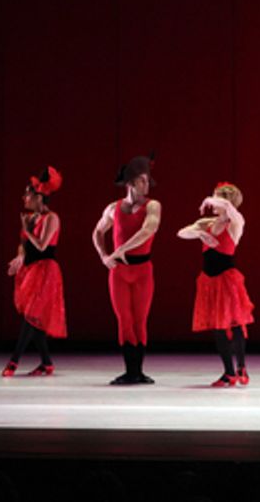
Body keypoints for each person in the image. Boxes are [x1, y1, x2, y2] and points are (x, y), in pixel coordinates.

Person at [93, 154, 161, 385]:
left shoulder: (153, 206)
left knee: (140, 319)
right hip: (119, 272)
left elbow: (147, 231)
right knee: (124, 319)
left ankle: (139, 371)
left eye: (146, 180)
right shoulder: (113, 208)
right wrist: (104, 256)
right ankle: (130, 371)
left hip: (143, 270)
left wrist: (120, 248)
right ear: (130, 183)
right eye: (142, 180)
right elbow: (97, 232)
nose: (146, 184)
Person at [178, 182, 255, 387]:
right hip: (209, 280)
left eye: (216, 199)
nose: (212, 203)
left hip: (227, 279)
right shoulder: (207, 223)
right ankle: (229, 373)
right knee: (218, 328)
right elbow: (182, 232)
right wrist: (201, 234)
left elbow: (231, 210)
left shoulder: (236, 223)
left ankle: (241, 367)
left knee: (236, 323)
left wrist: (210, 199)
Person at [3, 166, 66, 376]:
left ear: (39, 196)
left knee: (31, 316)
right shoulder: (31, 218)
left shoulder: (52, 218)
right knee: (35, 319)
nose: (24, 197)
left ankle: (13, 362)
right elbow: (24, 244)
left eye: (27, 194)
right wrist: (19, 258)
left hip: (46, 271)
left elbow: (41, 245)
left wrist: (28, 231)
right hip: (31, 270)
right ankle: (47, 364)